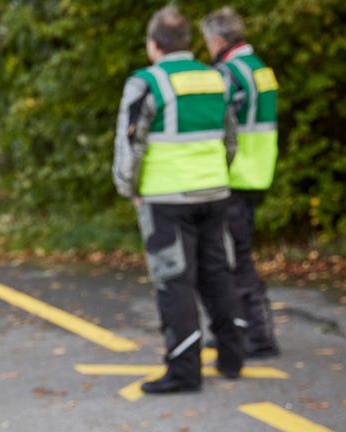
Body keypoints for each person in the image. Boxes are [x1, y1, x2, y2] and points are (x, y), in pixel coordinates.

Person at [112, 6, 244, 393]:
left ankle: (185, 371)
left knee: (175, 282)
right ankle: (232, 356)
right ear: (187, 42)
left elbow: (129, 143)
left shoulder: (146, 82)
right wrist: (218, 173)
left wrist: (129, 188)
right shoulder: (216, 78)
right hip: (215, 191)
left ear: (154, 46)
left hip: (166, 198)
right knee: (218, 274)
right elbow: (230, 138)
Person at [201, 7, 280, 358]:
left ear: (218, 40)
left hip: (234, 174)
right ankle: (240, 329)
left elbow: (218, 123)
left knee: (235, 258)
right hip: (258, 170)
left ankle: (258, 334)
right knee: (237, 253)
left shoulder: (228, 73)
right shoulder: (260, 69)